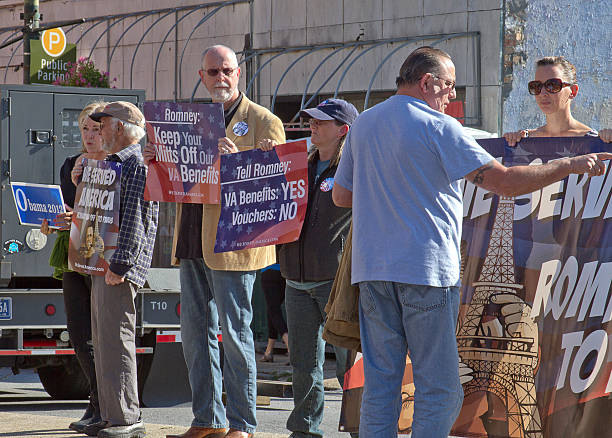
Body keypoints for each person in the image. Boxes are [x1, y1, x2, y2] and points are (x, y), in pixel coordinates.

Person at [331, 46, 612, 438]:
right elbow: (504, 182)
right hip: (425, 271)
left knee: (382, 385)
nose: (452, 95)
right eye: (449, 86)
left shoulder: (364, 125)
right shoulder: (439, 127)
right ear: (428, 82)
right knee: (442, 389)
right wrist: (569, 164)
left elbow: (340, 196)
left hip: (372, 271)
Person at [155, 45, 285, 438]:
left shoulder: (263, 121)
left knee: (236, 334)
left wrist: (239, 161)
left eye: (227, 70)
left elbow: (275, 187)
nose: (220, 78)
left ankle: (242, 424)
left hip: (234, 245)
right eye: (213, 72)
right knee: (195, 337)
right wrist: (154, 159)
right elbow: (173, 180)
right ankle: (206, 419)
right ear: (202, 76)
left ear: (239, 74)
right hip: (192, 240)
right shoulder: (189, 122)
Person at [259, 98, 357, 437]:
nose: (312, 126)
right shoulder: (297, 164)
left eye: (321, 122)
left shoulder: (354, 168)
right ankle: (303, 430)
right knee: (303, 364)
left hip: (336, 282)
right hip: (295, 280)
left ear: (343, 130)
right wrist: (268, 161)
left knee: (350, 363)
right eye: (311, 120)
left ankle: (361, 427)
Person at [82, 101, 158, 438]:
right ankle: (112, 415)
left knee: (117, 341)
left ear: (122, 127)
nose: (99, 130)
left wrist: (121, 264)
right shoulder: (115, 165)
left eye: (105, 123)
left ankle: (127, 419)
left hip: (118, 267)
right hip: (106, 265)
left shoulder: (136, 165)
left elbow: (135, 221)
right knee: (105, 342)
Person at [40, 101, 107, 433]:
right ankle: (95, 402)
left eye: (97, 129)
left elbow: (107, 213)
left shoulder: (114, 163)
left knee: (104, 334)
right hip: (73, 254)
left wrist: (82, 192)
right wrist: (52, 223)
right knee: (80, 336)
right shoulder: (69, 164)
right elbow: (63, 212)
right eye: (85, 129)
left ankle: (107, 405)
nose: (91, 135)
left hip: (102, 255)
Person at [503, 56, 612, 145]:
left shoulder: (593, 142)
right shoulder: (524, 139)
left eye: (552, 85)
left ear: (573, 91)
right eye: (536, 86)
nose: (543, 93)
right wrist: (510, 142)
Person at [259, 263, 289, 363]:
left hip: (268, 270)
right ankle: (269, 351)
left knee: (273, 309)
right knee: (272, 310)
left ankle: (290, 345)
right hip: (285, 271)